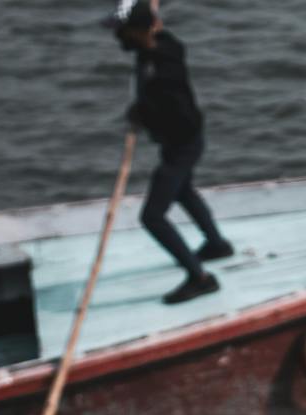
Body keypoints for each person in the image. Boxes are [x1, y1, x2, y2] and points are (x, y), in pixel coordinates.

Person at [109, 0, 232, 304]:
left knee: (152, 216)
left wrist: (142, 114)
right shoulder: (166, 44)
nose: (116, 37)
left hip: (182, 145)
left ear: (137, 32)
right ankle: (216, 245)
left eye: (122, 31)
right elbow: (155, 28)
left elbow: (175, 114)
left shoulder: (160, 73)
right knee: (183, 190)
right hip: (183, 141)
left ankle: (199, 278)